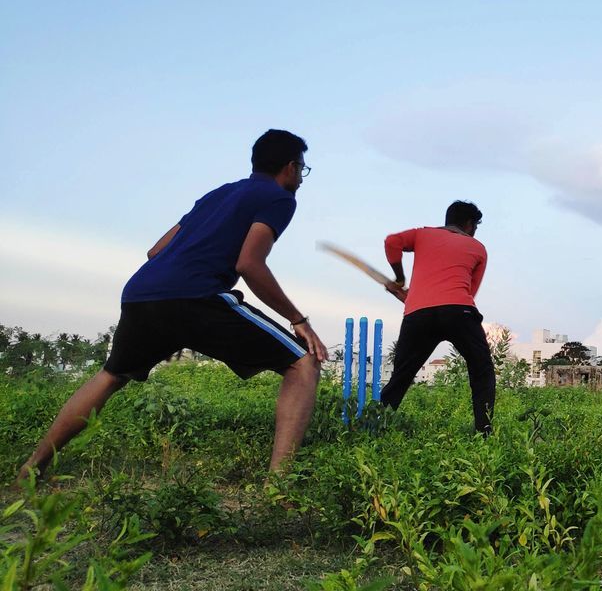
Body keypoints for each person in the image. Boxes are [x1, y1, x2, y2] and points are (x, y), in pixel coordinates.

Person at [18, 130, 327, 483]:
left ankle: (31, 468)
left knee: (111, 375)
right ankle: (279, 485)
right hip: (194, 295)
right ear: (290, 167)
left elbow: (155, 251)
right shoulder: (279, 198)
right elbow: (249, 264)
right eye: (302, 169)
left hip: (141, 292)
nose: (301, 179)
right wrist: (298, 320)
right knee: (303, 362)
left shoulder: (217, 195)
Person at [379, 201, 494, 434]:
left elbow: (392, 242)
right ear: (470, 225)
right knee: (482, 371)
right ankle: (484, 432)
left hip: (418, 314)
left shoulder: (422, 235)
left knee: (401, 375)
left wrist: (399, 280)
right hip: (459, 312)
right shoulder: (477, 248)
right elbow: (467, 293)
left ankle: (375, 426)